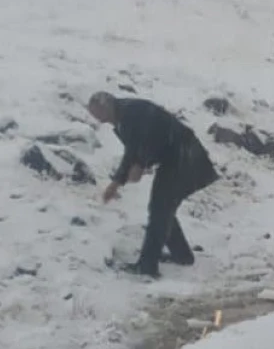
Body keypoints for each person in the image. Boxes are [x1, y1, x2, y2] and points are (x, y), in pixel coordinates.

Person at [86, 92, 219, 278]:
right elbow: (133, 150)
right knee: (162, 207)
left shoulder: (132, 112)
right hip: (179, 157)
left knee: (160, 208)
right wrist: (117, 182)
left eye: (98, 114)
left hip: (185, 157)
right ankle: (182, 255)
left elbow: (147, 138)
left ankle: (147, 267)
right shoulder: (124, 116)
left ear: (105, 106)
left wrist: (140, 163)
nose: (99, 120)